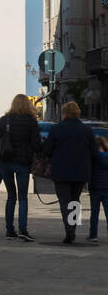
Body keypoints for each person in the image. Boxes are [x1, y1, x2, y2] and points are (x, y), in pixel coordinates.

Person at [44, 101, 96, 245]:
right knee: (75, 200)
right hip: (81, 172)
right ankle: (72, 229)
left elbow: (47, 150)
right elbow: (94, 152)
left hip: (61, 172)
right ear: (78, 112)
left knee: (64, 202)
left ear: (64, 113)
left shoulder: (56, 129)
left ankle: (69, 230)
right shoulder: (87, 130)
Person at [0, 93, 41, 241]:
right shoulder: (31, 121)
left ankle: (9, 230)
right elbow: (36, 145)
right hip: (23, 163)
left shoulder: (4, 120)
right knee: (23, 197)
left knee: (11, 196)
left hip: (5, 162)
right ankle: (23, 230)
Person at [88, 135, 108, 246]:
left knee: (94, 213)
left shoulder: (93, 157)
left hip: (95, 187)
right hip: (107, 188)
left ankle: (93, 235)